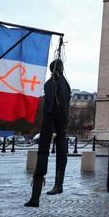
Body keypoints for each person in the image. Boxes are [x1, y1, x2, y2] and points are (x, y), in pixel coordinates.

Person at [25, 58, 71, 207]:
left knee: (43, 154)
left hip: (50, 120)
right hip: (63, 120)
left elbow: (49, 106)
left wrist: (48, 121)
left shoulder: (50, 84)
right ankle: (59, 184)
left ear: (52, 70)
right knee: (61, 151)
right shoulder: (66, 84)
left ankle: (35, 197)